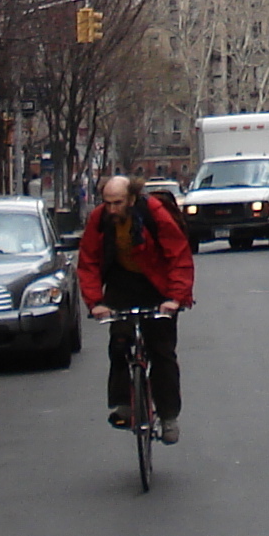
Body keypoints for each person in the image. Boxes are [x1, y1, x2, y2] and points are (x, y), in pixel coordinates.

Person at [78, 172, 196, 441]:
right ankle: (124, 404)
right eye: (107, 203)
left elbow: (178, 256)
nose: (111, 209)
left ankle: (167, 417)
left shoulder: (154, 214)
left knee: (162, 352)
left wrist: (175, 299)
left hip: (156, 285)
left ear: (132, 198)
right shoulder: (100, 220)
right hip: (122, 283)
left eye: (117, 203)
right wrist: (95, 302)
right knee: (119, 342)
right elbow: (89, 262)